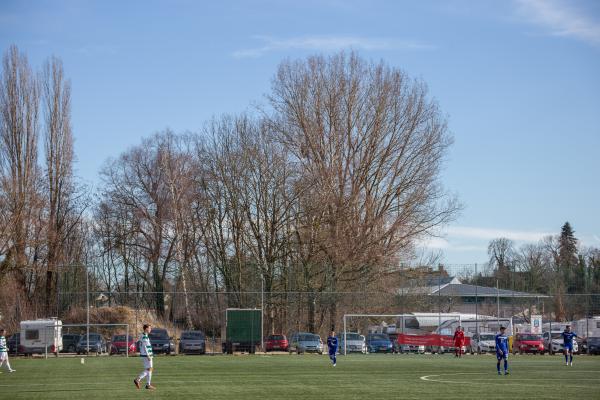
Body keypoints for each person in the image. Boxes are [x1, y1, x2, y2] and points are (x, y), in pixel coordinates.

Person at [134, 324, 155, 390]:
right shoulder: (144, 336)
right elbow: (145, 346)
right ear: (146, 329)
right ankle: (138, 379)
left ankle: (148, 384)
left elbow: (138, 341)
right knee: (149, 369)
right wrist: (148, 355)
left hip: (145, 355)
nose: (150, 329)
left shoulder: (143, 335)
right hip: (146, 355)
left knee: (149, 369)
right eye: (149, 328)